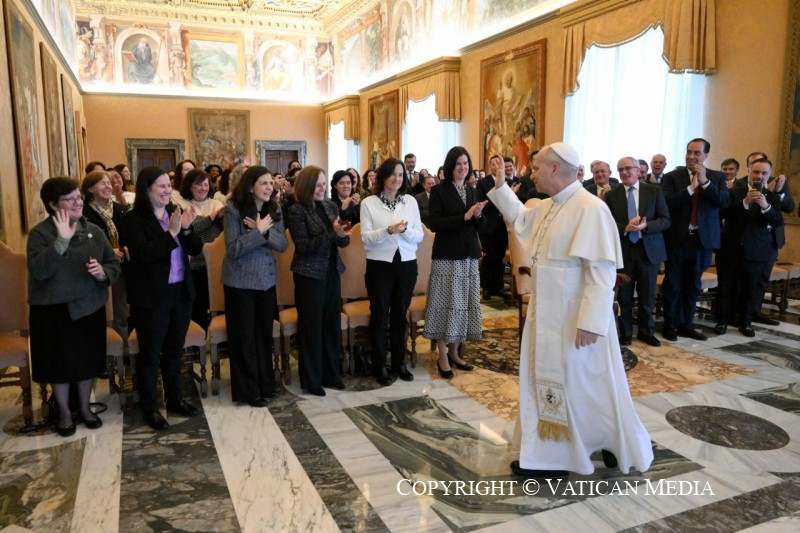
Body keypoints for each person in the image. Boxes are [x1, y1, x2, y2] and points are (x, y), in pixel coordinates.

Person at [486, 142, 653, 477]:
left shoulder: (589, 208)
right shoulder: (550, 206)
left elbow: (602, 271)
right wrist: (500, 185)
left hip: (576, 318)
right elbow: (520, 220)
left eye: (535, 168)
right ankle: (560, 450)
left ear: (554, 169)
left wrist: (591, 322)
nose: (531, 173)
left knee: (583, 384)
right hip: (548, 311)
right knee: (562, 384)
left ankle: (571, 452)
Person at [28, 177, 120, 436]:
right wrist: (61, 241)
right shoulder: (40, 234)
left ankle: (85, 407)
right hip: (53, 311)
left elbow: (113, 264)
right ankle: (65, 413)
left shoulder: (93, 230)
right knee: (59, 364)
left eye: (79, 196)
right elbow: (39, 270)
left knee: (86, 361)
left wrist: (103, 273)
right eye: (70, 198)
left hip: (89, 306)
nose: (78, 201)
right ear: (53, 204)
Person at [118, 166, 203, 431]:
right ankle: (150, 408)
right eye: (162, 186)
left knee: (174, 350)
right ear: (146, 189)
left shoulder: (173, 214)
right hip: (152, 296)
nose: (168, 191)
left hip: (180, 292)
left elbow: (196, 249)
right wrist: (172, 234)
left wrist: (186, 230)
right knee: (151, 354)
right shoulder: (132, 219)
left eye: (169, 186)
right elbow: (143, 255)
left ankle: (175, 398)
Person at [223, 166, 288, 406]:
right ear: (250, 186)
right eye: (263, 183)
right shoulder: (233, 209)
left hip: (266, 281)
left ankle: (265, 384)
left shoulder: (275, 209)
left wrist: (265, 232)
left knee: (263, 336)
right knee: (244, 339)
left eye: (271, 183)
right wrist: (258, 233)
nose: (269, 187)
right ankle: (248, 391)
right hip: (240, 282)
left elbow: (282, 245)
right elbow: (233, 249)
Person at [285, 166, 350, 396]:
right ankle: (312, 380)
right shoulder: (296, 211)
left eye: (324, 184)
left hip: (332, 271)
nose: (323, 188)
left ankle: (331, 374)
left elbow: (340, 241)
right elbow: (305, 247)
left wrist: (342, 236)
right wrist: (332, 233)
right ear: (307, 186)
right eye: (318, 185)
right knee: (312, 327)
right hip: (309, 275)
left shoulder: (331, 206)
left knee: (331, 325)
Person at [423, 146, 487, 378]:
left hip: (468, 255)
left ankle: (455, 352)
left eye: (466, 163)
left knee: (462, 306)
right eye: (459, 164)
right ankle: (442, 356)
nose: (463, 168)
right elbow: (436, 224)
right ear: (451, 166)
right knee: (444, 305)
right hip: (447, 256)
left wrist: (478, 215)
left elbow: (480, 226)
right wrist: (465, 216)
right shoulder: (440, 190)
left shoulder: (472, 190)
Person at [360, 158, 423, 386]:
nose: (397, 178)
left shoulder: (410, 202)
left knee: (399, 315)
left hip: (406, 265)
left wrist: (404, 231)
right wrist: (388, 230)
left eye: (400, 174)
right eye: (393, 174)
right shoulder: (369, 203)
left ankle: (399, 363)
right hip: (379, 266)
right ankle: (380, 366)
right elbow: (366, 238)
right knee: (379, 316)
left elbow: (419, 235)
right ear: (383, 177)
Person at [661, 138, 729, 341]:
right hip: (678, 239)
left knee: (693, 284)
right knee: (673, 284)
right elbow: (666, 203)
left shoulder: (716, 177)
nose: (691, 156)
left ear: (706, 156)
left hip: (702, 240)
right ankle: (670, 325)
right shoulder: (673, 177)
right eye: (689, 152)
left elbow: (723, 202)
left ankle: (686, 324)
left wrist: (705, 182)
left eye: (697, 153)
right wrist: (690, 188)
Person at [603, 157, 670, 347]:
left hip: (648, 250)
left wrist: (646, 225)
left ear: (638, 170)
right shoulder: (611, 195)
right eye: (620, 169)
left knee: (647, 295)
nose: (624, 173)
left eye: (627, 169)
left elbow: (665, 220)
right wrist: (626, 228)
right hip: (624, 250)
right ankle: (625, 333)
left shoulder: (654, 191)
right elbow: (607, 224)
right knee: (624, 296)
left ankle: (646, 331)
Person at [715, 158, 785, 337]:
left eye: (764, 173)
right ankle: (721, 321)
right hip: (730, 248)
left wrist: (765, 207)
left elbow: (777, 221)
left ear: (769, 175)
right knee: (725, 287)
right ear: (748, 171)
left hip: (756, 251)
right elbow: (722, 212)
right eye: (756, 172)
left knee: (750, 288)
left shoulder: (772, 197)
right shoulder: (734, 191)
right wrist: (745, 202)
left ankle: (745, 323)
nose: (759, 176)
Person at [81, 171, 129, 339]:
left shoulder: (121, 210)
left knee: (120, 312)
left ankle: (123, 354)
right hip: (94, 269)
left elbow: (129, 236)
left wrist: (125, 248)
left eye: (109, 183)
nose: (108, 186)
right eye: (103, 183)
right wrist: (109, 251)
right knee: (98, 315)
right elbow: (82, 243)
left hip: (120, 268)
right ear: (90, 189)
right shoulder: (83, 213)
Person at [177, 169, 225, 330]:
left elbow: (223, 233)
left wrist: (218, 219)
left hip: (217, 263)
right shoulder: (181, 205)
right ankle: (200, 345)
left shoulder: (216, 204)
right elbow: (188, 230)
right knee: (198, 305)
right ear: (189, 186)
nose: (203, 188)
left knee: (219, 304)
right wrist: (211, 219)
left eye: (206, 184)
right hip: (194, 264)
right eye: (198, 184)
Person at [476, 154, 514, 300]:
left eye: (499, 164)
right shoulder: (482, 183)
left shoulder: (509, 182)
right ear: (489, 166)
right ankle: (486, 287)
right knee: (488, 256)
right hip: (488, 224)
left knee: (499, 256)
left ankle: (497, 287)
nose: (496, 166)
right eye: (493, 164)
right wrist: (498, 195)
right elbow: (481, 202)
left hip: (503, 225)